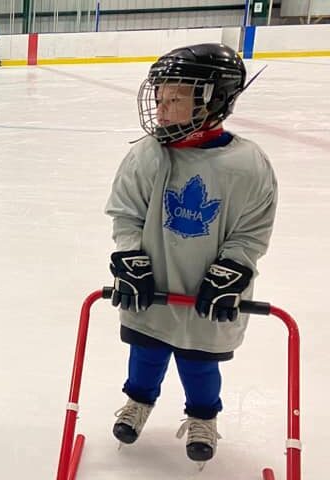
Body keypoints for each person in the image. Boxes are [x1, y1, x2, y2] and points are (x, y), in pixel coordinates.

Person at [105, 43, 277, 464]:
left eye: (176, 99)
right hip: (154, 282)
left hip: (206, 287)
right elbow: (125, 213)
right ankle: (138, 403)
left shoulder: (248, 165)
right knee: (145, 350)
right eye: (160, 98)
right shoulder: (147, 154)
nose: (162, 109)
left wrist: (234, 266)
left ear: (214, 98)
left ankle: (203, 417)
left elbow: (251, 230)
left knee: (198, 359)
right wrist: (129, 255)